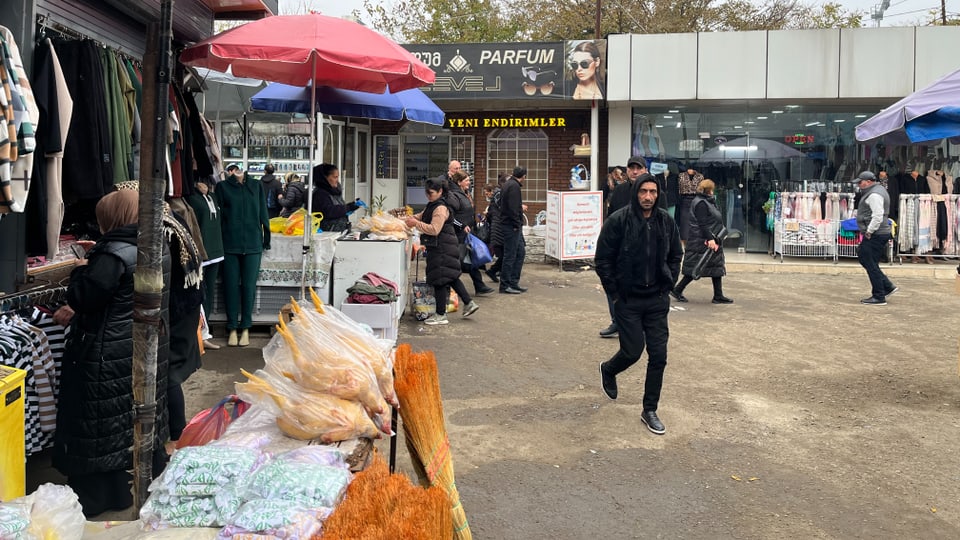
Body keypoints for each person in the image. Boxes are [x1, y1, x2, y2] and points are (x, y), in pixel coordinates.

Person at [51, 190, 171, 516]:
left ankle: (96, 498)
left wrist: (81, 268)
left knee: (97, 427)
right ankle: (119, 493)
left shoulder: (113, 254)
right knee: (120, 425)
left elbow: (86, 297)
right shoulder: (154, 246)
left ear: (112, 218)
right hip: (134, 349)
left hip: (104, 354)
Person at [595, 174, 683, 435]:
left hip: (657, 299)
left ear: (658, 194)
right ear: (635, 193)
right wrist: (615, 293)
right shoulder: (619, 220)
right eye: (643, 191)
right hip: (628, 299)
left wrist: (668, 283)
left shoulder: (665, 221)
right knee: (633, 351)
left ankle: (650, 409)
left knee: (659, 356)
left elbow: (675, 254)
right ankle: (609, 369)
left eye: (653, 192)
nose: (648, 197)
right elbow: (603, 258)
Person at [404, 177, 479, 325]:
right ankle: (469, 303)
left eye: (430, 193)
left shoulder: (440, 208)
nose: (427, 196)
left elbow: (434, 229)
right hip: (444, 246)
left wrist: (416, 223)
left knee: (439, 280)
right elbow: (421, 216)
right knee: (450, 276)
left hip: (442, 247)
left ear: (440, 191)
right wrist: (407, 219)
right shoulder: (433, 204)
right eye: (426, 193)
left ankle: (440, 314)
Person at [216, 163, 271, 347]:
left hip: (253, 243)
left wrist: (266, 238)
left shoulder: (256, 186)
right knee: (230, 286)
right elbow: (219, 216)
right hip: (229, 243)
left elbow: (263, 212)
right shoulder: (222, 187)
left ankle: (246, 327)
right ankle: (232, 327)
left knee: (249, 287)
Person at [599, 156, 649, 338]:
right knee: (611, 285)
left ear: (645, 170)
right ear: (627, 171)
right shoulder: (619, 191)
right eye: (631, 168)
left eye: (638, 168)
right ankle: (617, 322)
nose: (634, 171)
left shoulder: (652, 191)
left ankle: (638, 325)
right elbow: (611, 218)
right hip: (619, 250)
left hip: (643, 252)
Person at [670, 179, 733, 304]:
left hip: (709, 238)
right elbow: (702, 224)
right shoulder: (701, 203)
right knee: (696, 266)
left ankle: (718, 295)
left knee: (715, 267)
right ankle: (678, 289)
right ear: (709, 190)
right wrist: (710, 239)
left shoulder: (705, 201)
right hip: (703, 241)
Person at [186, 178, 224, 350]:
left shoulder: (214, 197)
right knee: (198, 292)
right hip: (200, 252)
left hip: (216, 250)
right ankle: (198, 334)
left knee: (208, 291)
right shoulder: (191, 199)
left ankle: (205, 334)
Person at [447, 170, 495, 296]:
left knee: (472, 259)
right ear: (459, 182)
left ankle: (479, 286)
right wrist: (462, 226)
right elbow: (450, 216)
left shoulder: (465, 193)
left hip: (468, 234)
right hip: (458, 236)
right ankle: (448, 287)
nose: (469, 182)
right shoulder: (454, 196)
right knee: (460, 262)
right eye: (466, 180)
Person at [855, 171, 898, 305]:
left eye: (860, 182)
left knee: (868, 261)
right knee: (867, 260)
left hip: (876, 233)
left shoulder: (874, 194)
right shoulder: (877, 190)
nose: (858, 185)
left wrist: (869, 231)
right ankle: (887, 286)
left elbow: (878, 215)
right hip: (879, 232)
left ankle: (879, 295)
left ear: (868, 182)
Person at [499, 166, 528, 294]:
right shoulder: (514, 187)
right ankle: (505, 284)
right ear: (524, 176)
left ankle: (513, 282)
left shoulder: (508, 184)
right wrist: (517, 223)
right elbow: (513, 208)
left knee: (520, 252)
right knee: (510, 255)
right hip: (512, 226)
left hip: (510, 224)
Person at [312, 163, 359, 232]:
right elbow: (329, 211)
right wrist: (348, 207)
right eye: (335, 177)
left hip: (339, 230)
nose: (337, 180)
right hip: (327, 233)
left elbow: (339, 206)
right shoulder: (320, 194)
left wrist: (352, 205)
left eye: (337, 177)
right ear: (325, 178)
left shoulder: (334, 192)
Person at [485, 173, 509, 283]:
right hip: (499, 227)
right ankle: (494, 270)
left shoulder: (498, 195)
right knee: (504, 254)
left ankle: (495, 270)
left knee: (504, 253)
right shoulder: (500, 195)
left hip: (497, 226)